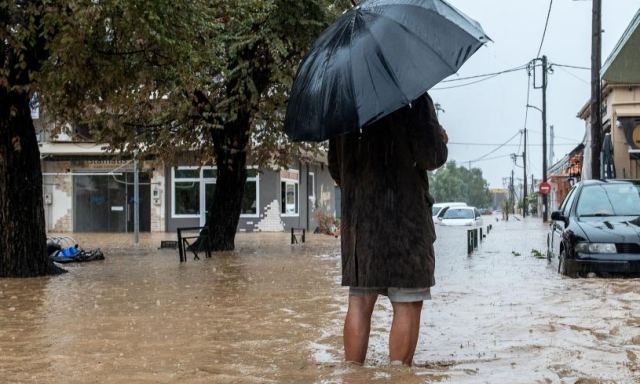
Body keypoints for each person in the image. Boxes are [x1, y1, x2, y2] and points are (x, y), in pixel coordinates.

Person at [328, 92, 448, 366]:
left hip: (361, 224)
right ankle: (397, 376)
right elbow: (431, 156)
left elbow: (337, 170)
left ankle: (354, 376)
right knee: (406, 301)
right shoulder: (412, 96)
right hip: (405, 222)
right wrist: (440, 138)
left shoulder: (345, 104)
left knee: (359, 302)